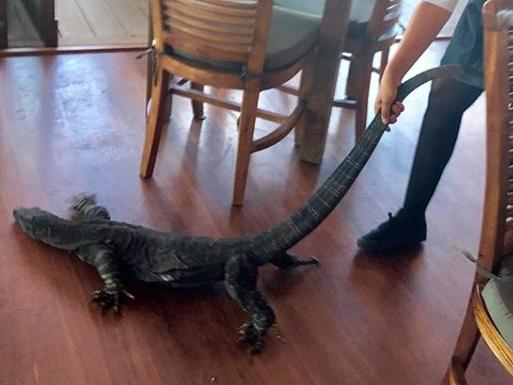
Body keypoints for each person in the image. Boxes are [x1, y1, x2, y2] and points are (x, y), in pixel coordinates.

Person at [358, 0, 485, 252]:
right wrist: (393, 74)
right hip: (488, 17)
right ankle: (412, 218)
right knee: (444, 100)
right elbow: (438, 3)